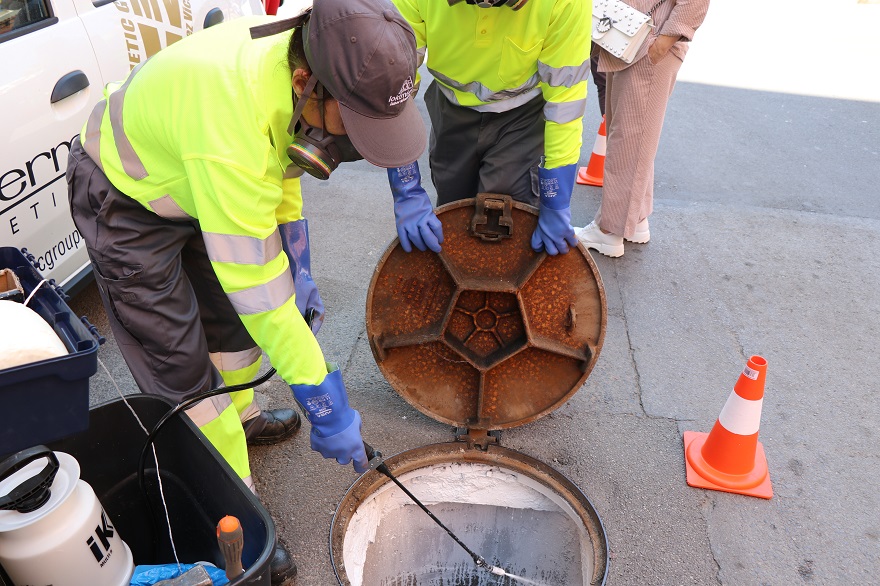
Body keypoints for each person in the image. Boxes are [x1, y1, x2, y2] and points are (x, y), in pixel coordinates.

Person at [65, 0, 426, 582]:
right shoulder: (232, 124)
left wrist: (299, 263)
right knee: (182, 372)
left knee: (231, 334)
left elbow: (280, 173)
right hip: (127, 200)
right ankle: (231, 522)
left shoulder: (293, 70)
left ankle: (242, 415)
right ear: (309, 84)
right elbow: (262, 297)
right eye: (356, 123)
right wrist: (326, 403)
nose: (359, 145)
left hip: (193, 180)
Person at [385, 0, 591, 257]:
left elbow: (566, 103)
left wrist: (556, 199)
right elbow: (393, 87)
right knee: (453, 212)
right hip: (451, 107)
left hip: (521, 115)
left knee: (505, 219)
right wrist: (406, 187)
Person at [575, 0, 710, 257]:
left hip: (648, 42)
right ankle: (635, 219)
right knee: (630, 136)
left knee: (630, 141)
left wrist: (662, 43)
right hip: (629, 40)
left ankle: (608, 231)